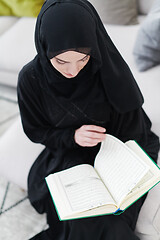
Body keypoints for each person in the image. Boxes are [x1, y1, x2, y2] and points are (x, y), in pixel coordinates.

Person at [17, 0, 160, 239]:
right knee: (84, 219)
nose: (73, 70)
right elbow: (36, 131)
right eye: (61, 61)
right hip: (68, 155)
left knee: (110, 221)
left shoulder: (107, 71)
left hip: (116, 152)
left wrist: (112, 156)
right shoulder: (31, 79)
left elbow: (132, 130)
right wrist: (72, 136)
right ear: (44, 48)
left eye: (82, 58)